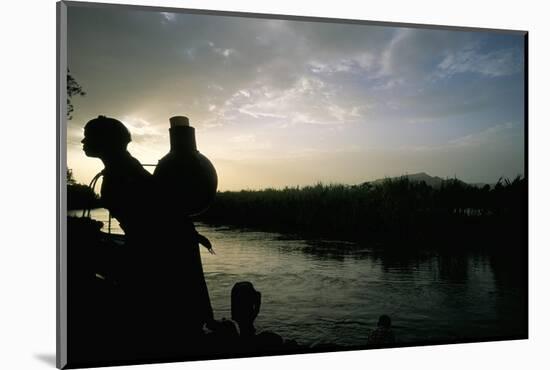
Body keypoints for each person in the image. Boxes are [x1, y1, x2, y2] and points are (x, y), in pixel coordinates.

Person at [80, 115, 214, 359]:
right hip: (163, 248)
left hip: (161, 257)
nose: (83, 141)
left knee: (166, 326)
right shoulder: (121, 169)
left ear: (107, 141)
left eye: (89, 136)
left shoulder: (124, 174)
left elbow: (153, 227)